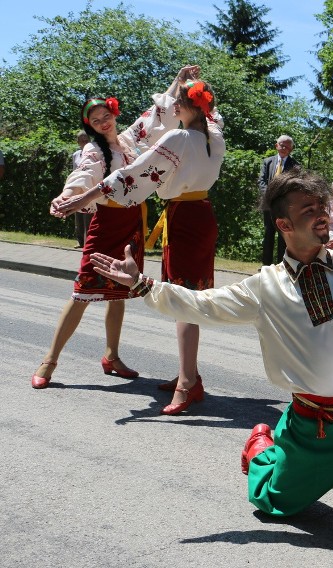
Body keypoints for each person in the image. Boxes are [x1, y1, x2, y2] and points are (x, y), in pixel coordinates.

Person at [88, 168, 333, 521]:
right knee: (274, 502)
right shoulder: (264, 287)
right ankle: (262, 448)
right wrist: (144, 284)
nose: (320, 215)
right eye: (308, 210)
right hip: (317, 420)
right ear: (284, 225)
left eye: (321, 206)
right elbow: (203, 305)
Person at [55, 75, 224, 416]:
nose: (172, 104)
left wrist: (78, 201)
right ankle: (188, 375)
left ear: (190, 107)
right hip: (202, 215)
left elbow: (131, 175)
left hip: (182, 218)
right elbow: (179, 120)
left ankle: (188, 383)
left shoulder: (179, 137)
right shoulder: (214, 134)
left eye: (179, 101)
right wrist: (181, 82)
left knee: (183, 299)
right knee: (188, 297)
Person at [32, 66, 197, 390]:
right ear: (90, 126)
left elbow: (157, 115)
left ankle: (111, 355)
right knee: (81, 293)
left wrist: (178, 82)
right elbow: (83, 174)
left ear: (113, 112)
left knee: (119, 291)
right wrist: (67, 196)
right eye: (95, 120)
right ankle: (49, 360)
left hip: (131, 223)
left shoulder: (130, 139)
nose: (103, 121)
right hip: (106, 225)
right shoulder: (95, 150)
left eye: (105, 115)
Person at [259, 135, 297, 264]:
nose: (283, 147)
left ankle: (282, 265)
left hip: (284, 207)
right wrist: (268, 196)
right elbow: (262, 181)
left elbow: (294, 185)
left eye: (286, 146)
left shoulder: (295, 165)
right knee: (268, 234)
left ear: (291, 149)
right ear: (276, 146)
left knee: (283, 236)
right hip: (268, 204)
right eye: (281, 144)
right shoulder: (267, 162)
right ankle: (266, 266)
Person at [71, 130, 93, 248]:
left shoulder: (93, 153)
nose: (84, 142)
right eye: (82, 140)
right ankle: (79, 241)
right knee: (78, 215)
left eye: (86, 140)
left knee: (88, 216)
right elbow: (74, 172)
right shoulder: (76, 155)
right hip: (77, 187)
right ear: (78, 142)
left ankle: (87, 242)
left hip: (89, 187)